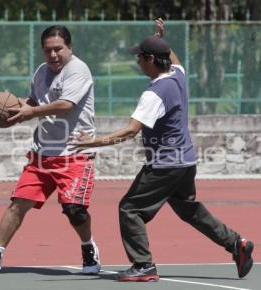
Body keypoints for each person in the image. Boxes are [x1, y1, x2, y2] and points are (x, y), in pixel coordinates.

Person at [70, 19, 254, 282]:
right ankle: (237, 244)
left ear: (151, 60)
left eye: (140, 57)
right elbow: (174, 59)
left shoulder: (155, 93)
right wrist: (162, 39)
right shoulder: (177, 75)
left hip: (165, 164)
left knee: (130, 209)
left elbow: (130, 131)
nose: (137, 62)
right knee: (188, 210)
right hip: (185, 161)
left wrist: (92, 141)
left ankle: (143, 265)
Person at [0, 25, 101, 276]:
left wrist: (30, 112)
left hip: (74, 151)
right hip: (42, 153)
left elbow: (65, 105)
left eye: (58, 49)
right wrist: (13, 109)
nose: (53, 55)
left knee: (74, 210)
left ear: (69, 47)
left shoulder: (78, 70)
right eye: (47, 50)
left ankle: (88, 247)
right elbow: (33, 101)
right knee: (18, 204)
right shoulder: (42, 71)